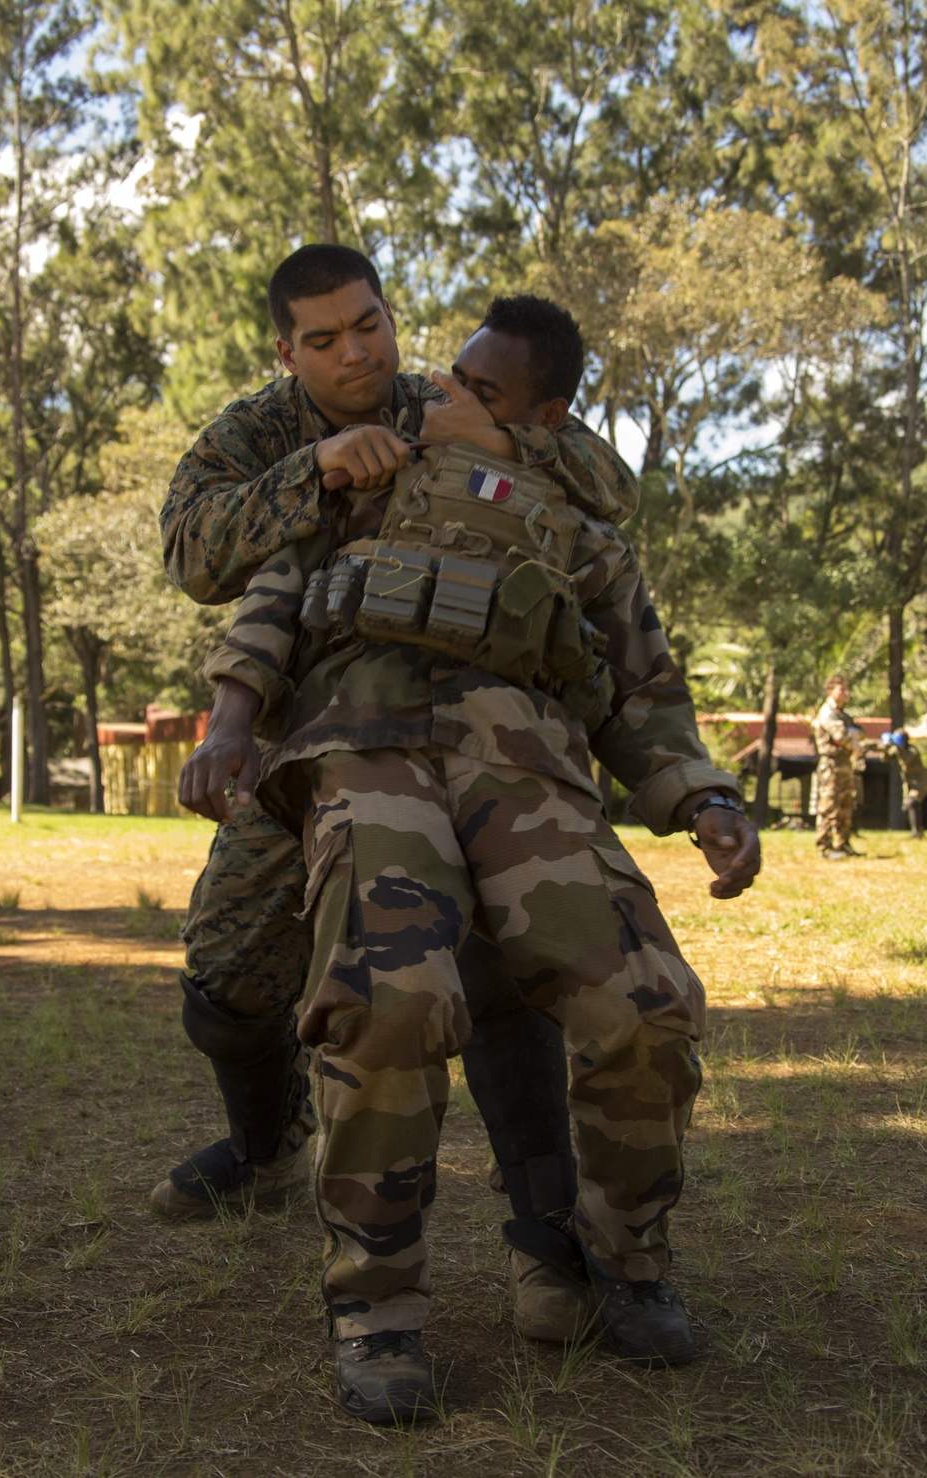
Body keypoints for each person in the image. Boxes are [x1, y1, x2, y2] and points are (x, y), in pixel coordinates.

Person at [200, 291, 761, 1423]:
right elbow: (271, 596)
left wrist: (701, 795)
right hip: (366, 736)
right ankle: (376, 1307)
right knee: (390, 999)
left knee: (646, 1001)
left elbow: (644, 690)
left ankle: (624, 1258)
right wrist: (227, 721)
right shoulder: (366, 475)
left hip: (524, 755)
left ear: (540, 419)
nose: (440, 396)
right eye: (449, 378)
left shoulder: (583, 534)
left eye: (476, 390)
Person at [156, 246, 644, 1348]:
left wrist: (497, 439)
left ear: (388, 315)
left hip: (465, 734)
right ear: (286, 351)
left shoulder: (447, 400)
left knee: (487, 956)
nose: (355, 351)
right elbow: (192, 550)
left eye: (367, 324)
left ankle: (546, 1232)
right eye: (323, 340)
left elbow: (609, 492)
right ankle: (265, 1143)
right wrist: (317, 468)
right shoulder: (255, 435)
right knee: (228, 970)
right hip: (313, 737)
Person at [811, 675, 863, 859]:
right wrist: (853, 740)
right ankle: (824, 848)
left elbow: (860, 732)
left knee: (845, 806)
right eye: (842, 689)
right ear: (830, 691)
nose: (846, 693)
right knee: (828, 806)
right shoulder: (827, 712)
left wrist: (852, 736)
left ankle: (842, 844)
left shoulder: (843, 714)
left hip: (844, 764)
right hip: (831, 765)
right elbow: (841, 736)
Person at [880, 729, 925, 838]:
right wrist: (886, 746)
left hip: (920, 781)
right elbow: (885, 759)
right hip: (908, 783)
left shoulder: (912, 750)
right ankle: (919, 829)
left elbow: (906, 759)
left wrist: (899, 747)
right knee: (906, 807)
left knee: (912, 803)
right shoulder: (896, 749)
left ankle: (916, 832)